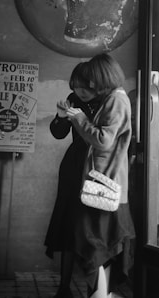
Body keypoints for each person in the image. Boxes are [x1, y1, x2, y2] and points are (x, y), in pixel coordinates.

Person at [65, 53, 135, 298]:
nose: (90, 85)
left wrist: (79, 118)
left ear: (103, 77)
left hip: (104, 188)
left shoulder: (116, 101)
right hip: (103, 186)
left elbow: (104, 140)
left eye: (92, 79)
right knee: (99, 250)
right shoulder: (115, 99)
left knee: (95, 248)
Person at [44, 62, 102, 298]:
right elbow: (59, 133)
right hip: (73, 166)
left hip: (98, 166)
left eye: (84, 88)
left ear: (95, 83)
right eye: (76, 88)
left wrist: (81, 118)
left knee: (93, 227)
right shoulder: (73, 99)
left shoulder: (108, 100)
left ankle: (95, 290)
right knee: (68, 224)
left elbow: (105, 137)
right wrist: (60, 116)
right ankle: (64, 287)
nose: (79, 93)